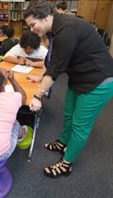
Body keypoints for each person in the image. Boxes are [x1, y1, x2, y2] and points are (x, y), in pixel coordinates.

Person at [23, 1, 113, 178]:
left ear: (45, 17)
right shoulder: (55, 28)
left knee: (80, 126)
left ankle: (66, 164)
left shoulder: (67, 29)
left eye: (33, 25)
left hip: (98, 81)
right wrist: (41, 78)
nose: (32, 30)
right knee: (69, 113)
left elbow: (55, 68)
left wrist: (37, 95)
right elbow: (52, 59)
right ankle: (63, 142)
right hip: (79, 77)